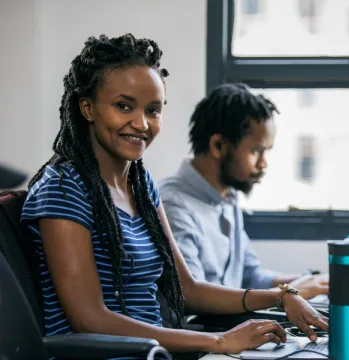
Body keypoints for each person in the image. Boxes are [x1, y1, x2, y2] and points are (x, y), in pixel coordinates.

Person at [20, 34, 327, 357]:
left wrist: (281, 296)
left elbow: (188, 289)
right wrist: (219, 342)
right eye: (123, 106)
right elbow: (90, 320)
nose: (141, 123)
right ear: (87, 108)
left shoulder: (141, 186)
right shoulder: (64, 189)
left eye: (153, 110)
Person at [158, 83, 329, 300]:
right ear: (218, 146)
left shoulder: (227, 198)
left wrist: (315, 282)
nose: (263, 164)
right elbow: (195, 298)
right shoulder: (172, 206)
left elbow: (251, 276)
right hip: (203, 330)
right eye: (256, 151)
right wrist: (290, 293)